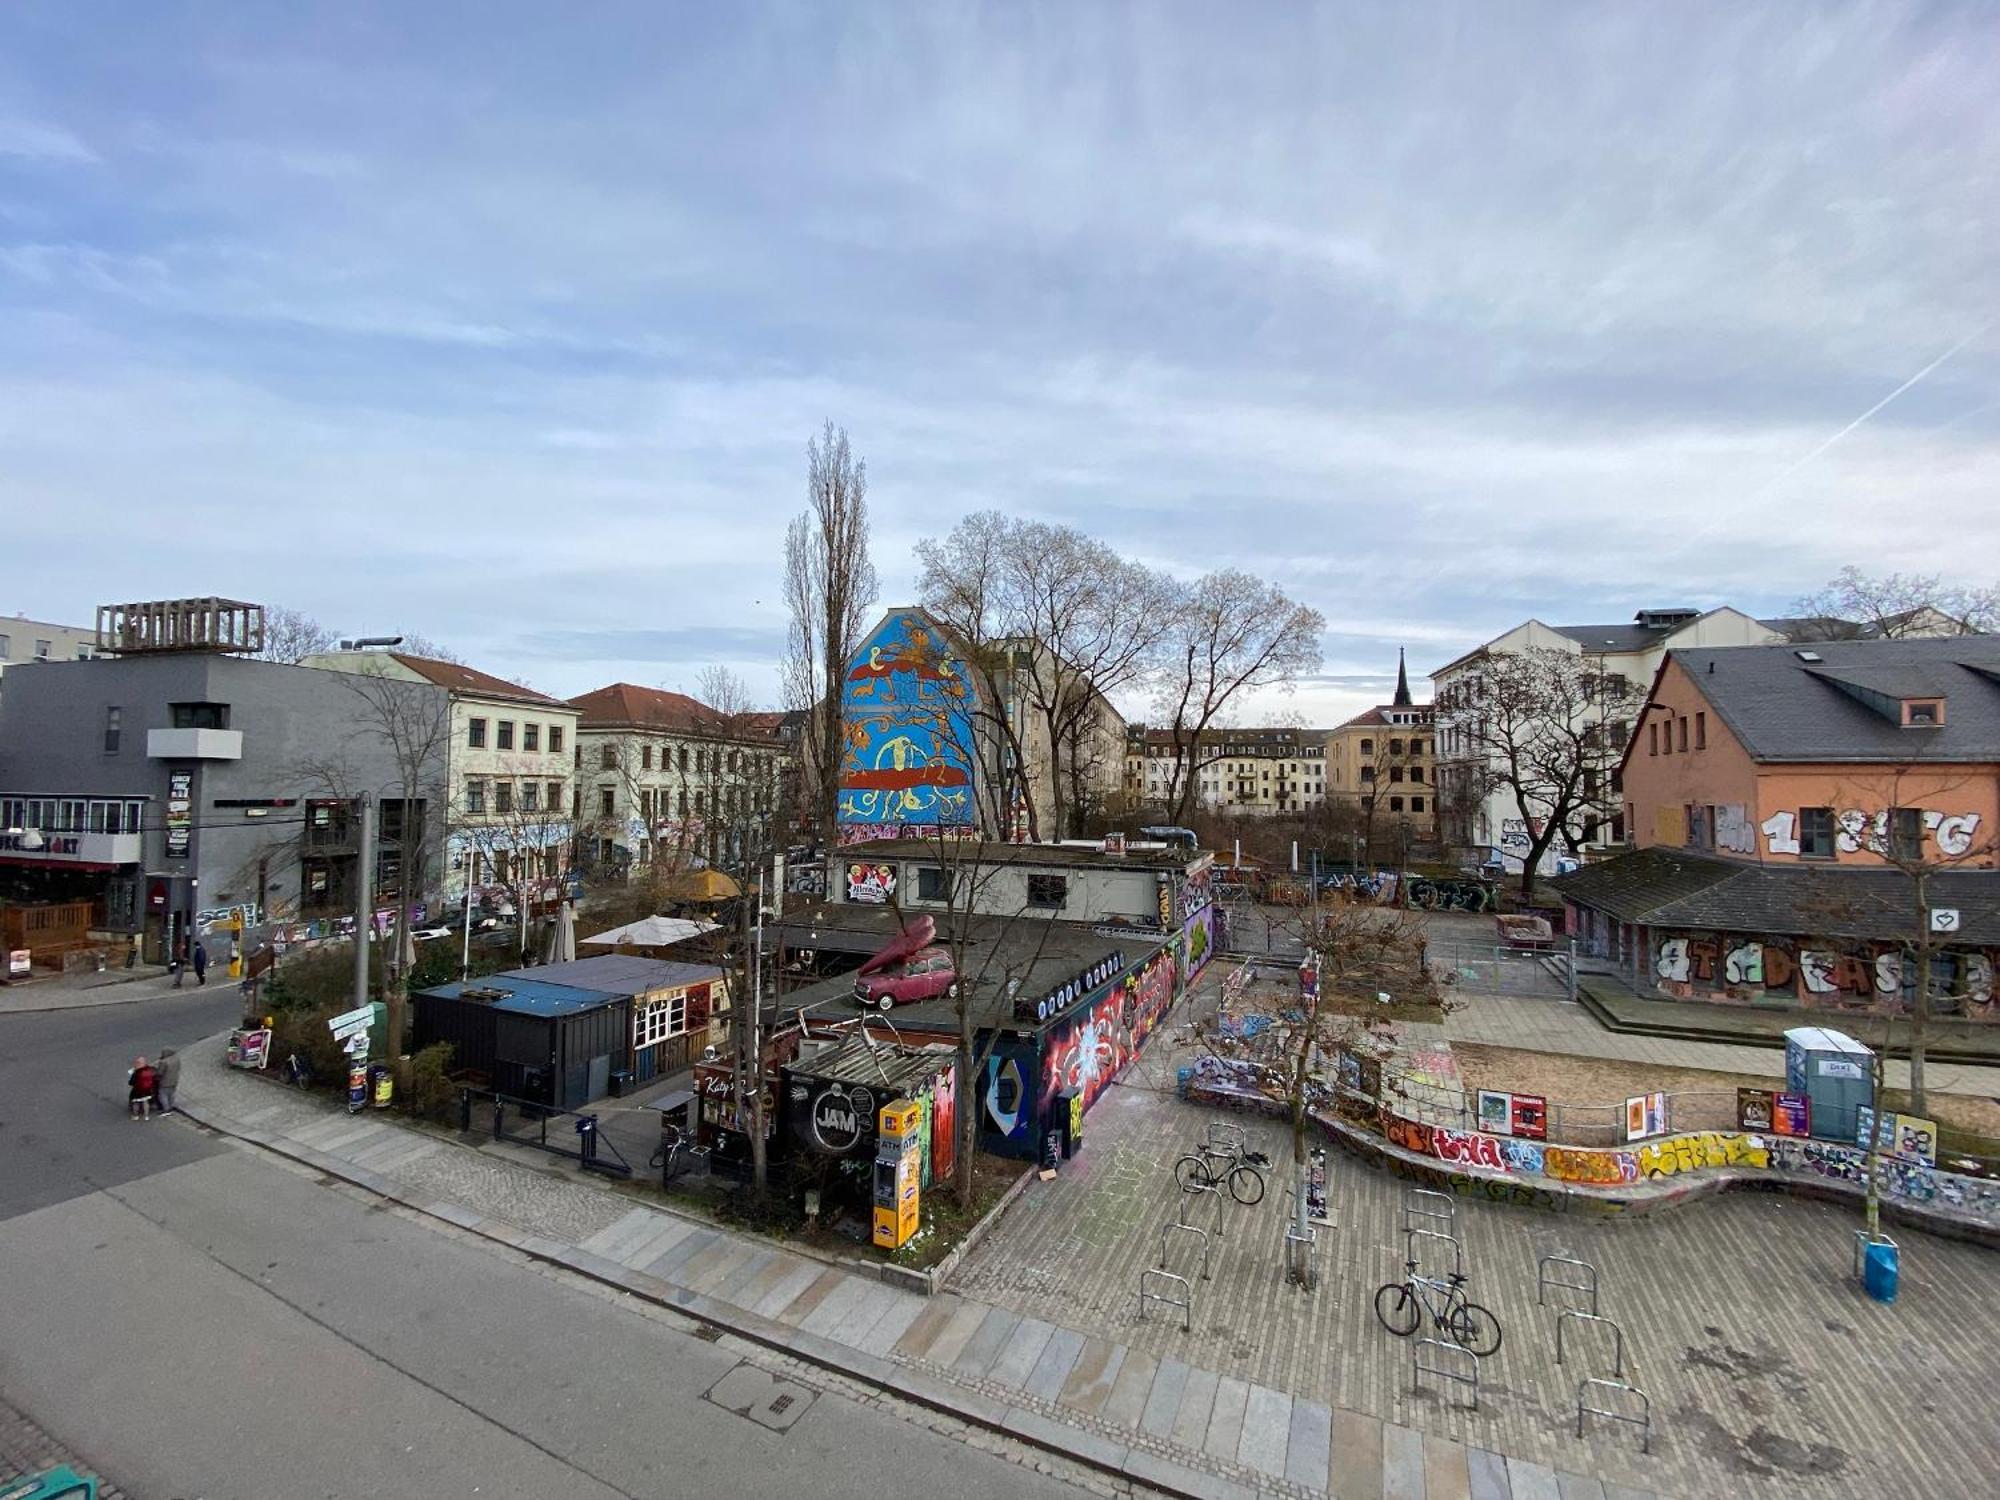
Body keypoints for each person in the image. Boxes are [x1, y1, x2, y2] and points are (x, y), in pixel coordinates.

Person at [156, 1047, 181, 1114]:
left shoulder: (163, 1062)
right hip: (174, 1080)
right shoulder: (176, 1060)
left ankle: (166, 1109)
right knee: (171, 1094)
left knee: (163, 1095)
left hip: (164, 1081)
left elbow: (160, 1073)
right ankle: (170, 1106)